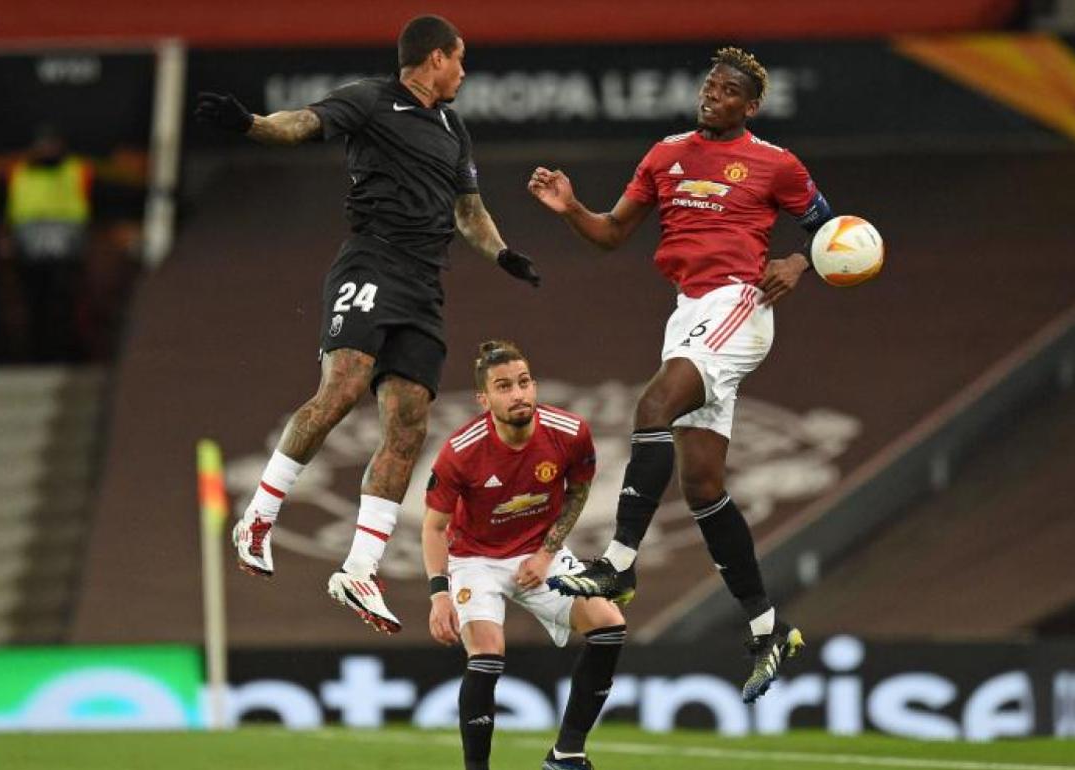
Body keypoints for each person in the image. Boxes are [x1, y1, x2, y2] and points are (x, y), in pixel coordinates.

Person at [194, 15, 541, 634]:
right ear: (435, 59)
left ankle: (359, 568)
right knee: (344, 387)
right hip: (372, 259)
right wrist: (249, 123)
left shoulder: (452, 127)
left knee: (409, 425)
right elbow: (301, 123)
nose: (464, 71)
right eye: (459, 59)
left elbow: (469, 210)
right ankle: (259, 517)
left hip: (422, 287)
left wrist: (504, 254)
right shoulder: (370, 99)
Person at [528, 47, 835, 703]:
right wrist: (570, 207)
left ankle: (616, 566)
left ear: (750, 107)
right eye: (709, 85)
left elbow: (834, 226)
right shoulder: (665, 153)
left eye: (727, 91)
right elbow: (612, 233)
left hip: (739, 304)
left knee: (652, 407)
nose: (711, 95)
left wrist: (801, 262)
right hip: (689, 312)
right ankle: (768, 628)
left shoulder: (776, 163)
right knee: (702, 487)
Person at [423, 340, 626, 770]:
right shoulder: (461, 451)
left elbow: (579, 491)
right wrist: (439, 594)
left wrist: (547, 551)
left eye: (524, 382)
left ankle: (567, 753)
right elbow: (434, 527)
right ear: (484, 399)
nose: (518, 394)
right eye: (504, 387)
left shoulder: (570, 432)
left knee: (610, 625)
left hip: (538, 553)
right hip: (474, 559)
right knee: (488, 652)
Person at [1, 124, 92, 361]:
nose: (48, 150)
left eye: (52, 144)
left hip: (66, 249)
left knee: (64, 301)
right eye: (44, 145)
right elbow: (4, 204)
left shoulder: (76, 170)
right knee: (34, 302)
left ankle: (66, 351)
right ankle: (36, 353)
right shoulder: (19, 172)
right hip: (30, 249)